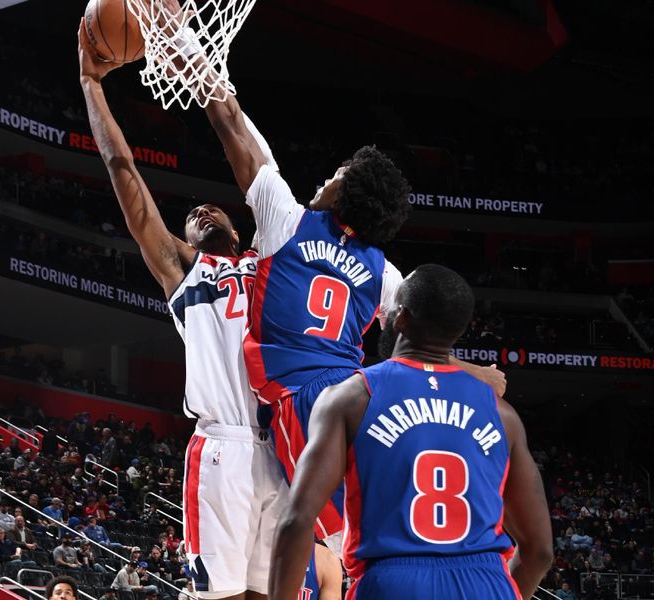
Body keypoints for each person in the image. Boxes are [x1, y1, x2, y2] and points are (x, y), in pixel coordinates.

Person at [171, 17, 507, 549]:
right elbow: (423, 341)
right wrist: (472, 374)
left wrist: (184, 44)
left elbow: (230, 126)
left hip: (306, 401)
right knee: (372, 537)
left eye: (338, 175)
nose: (327, 177)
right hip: (363, 396)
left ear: (346, 194)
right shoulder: (382, 271)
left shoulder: (285, 220)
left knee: (332, 553)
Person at [79, 20, 285, 600]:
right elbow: (125, 176)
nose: (200, 210)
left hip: (285, 444)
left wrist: (200, 66)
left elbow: (250, 150)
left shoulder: (272, 258)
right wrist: (92, 84)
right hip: (224, 445)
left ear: (242, 231)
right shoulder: (185, 271)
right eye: (192, 217)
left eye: (213, 209)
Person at [269, 265, 553, 600]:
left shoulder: (352, 397)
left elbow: (296, 521)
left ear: (400, 318)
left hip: (393, 582)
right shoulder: (502, 414)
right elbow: (540, 551)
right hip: (487, 582)